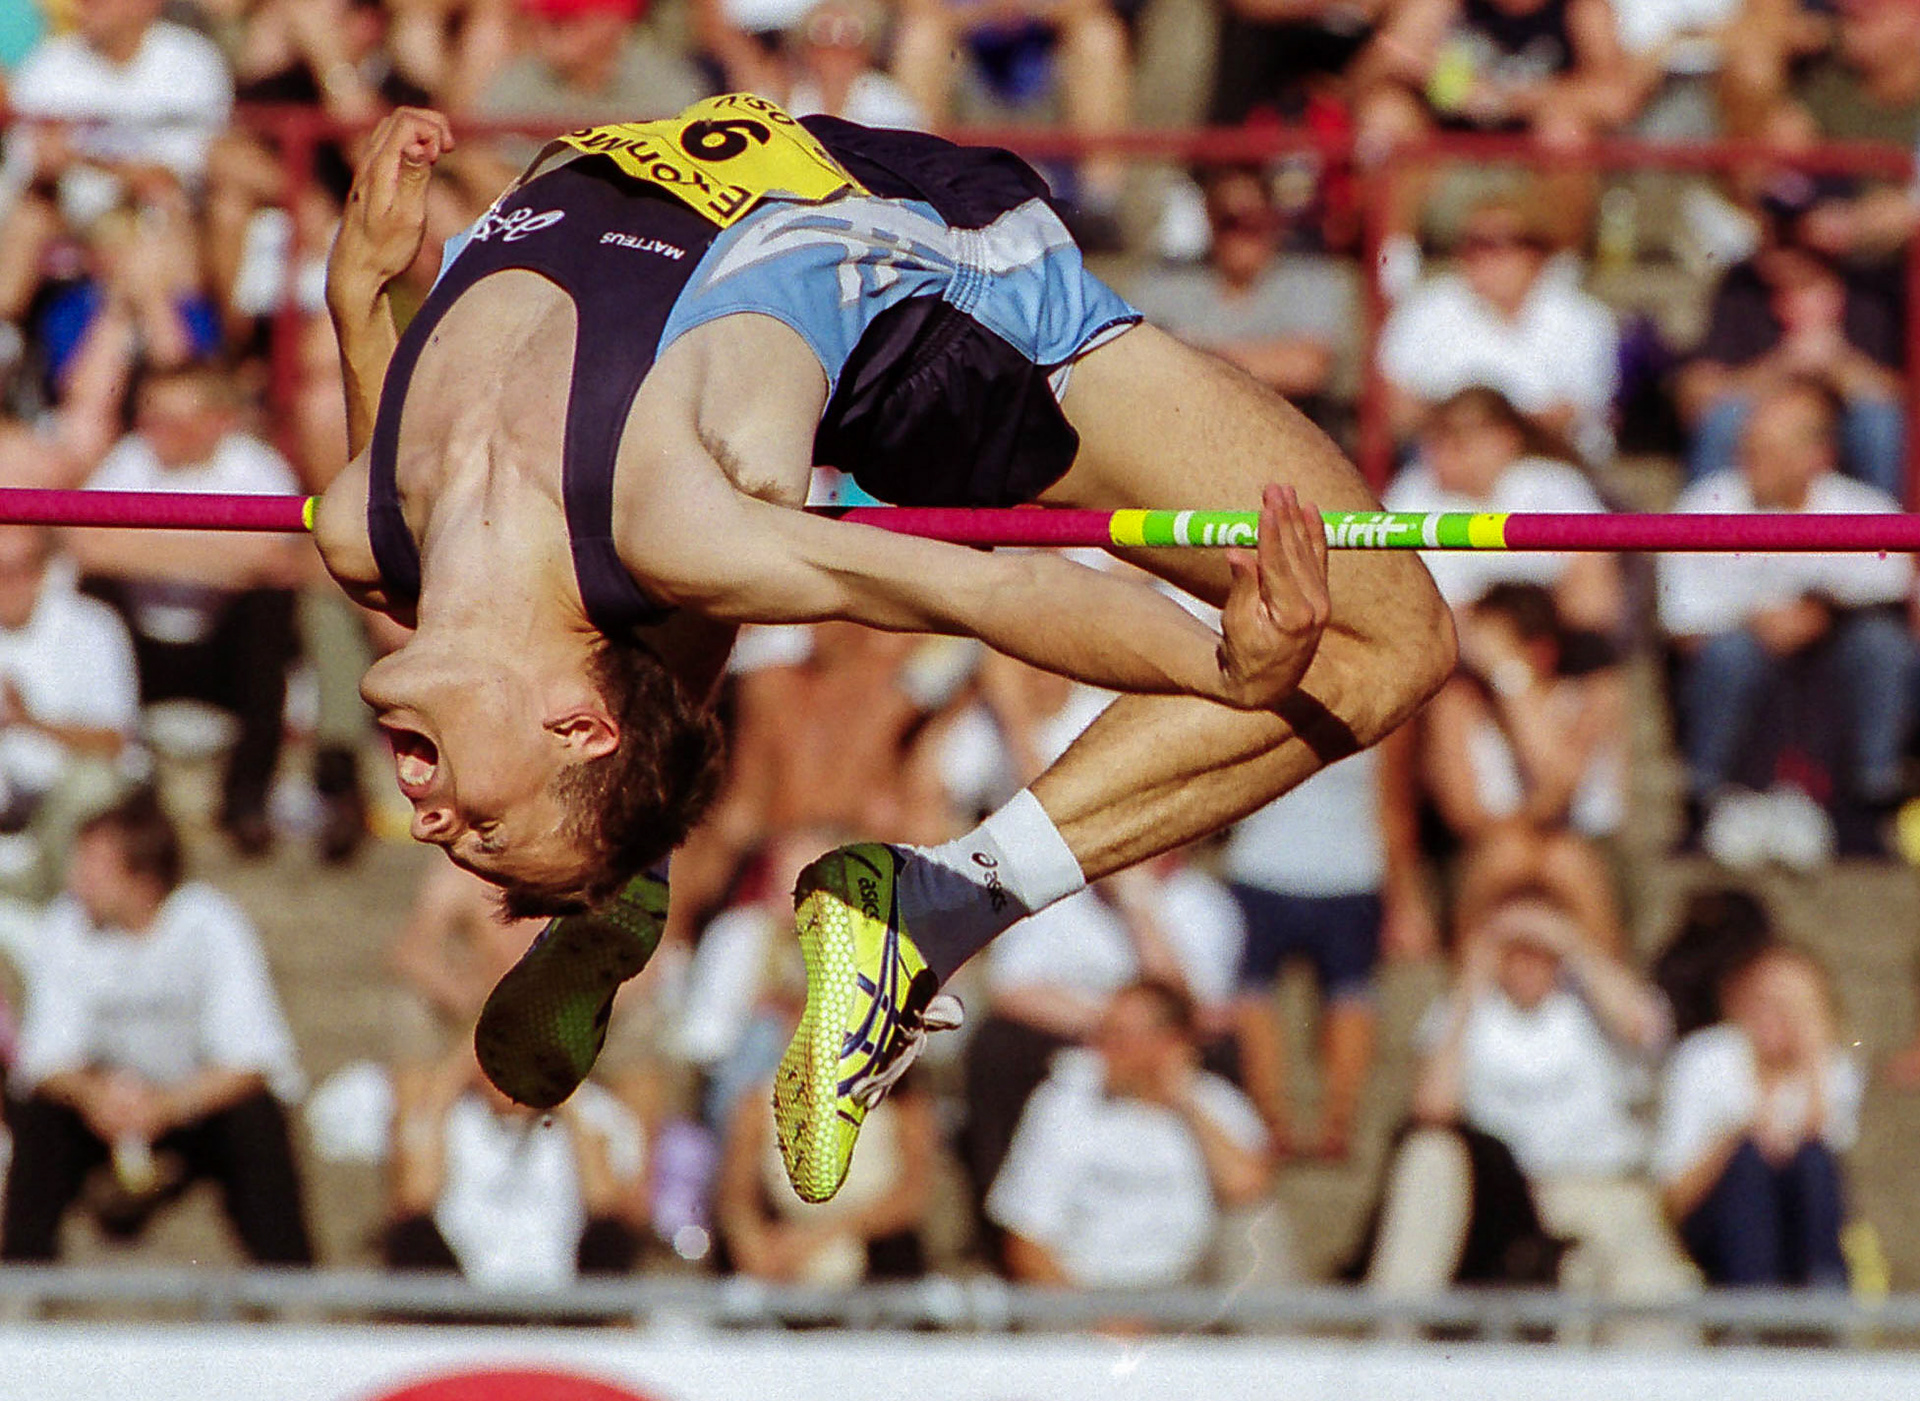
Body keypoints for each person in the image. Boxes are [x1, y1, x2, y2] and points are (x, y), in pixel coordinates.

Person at [316, 101, 1453, 1204]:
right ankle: (931, 910)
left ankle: (625, 872)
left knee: (616, 563)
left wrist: (356, 297)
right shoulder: (651, 527)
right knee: (1387, 641)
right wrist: (1223, 671)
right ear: (576, 729)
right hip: (940, 308)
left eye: (464, 834)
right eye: (485, 827)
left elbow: (415, 497)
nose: (433, 823)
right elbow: (992, 591)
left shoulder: (370, 525)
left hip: (760, 233)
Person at [0, 789, 312, 1265]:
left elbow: (253, 1058)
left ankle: (292, 1282)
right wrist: (96, 1096)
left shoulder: (210, 924)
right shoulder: (66, 925)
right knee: (39, 1118)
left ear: (143, 880)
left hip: (194, 1108)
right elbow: (44, 1059)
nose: (75, 879)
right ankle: (24, 1278)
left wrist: (168, 1105)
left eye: (92, 867)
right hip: (101, 1108)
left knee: (256, 1120)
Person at [1359, 893, 1695, 1306]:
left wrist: (1573, 942)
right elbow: (1432, 1109)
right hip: (1501, 1194)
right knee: (1428, 1154)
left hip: (1593, 1182)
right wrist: (1471, 982)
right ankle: (1394, 1328)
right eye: (1514, 950)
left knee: (1648, 1284)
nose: (1527, 963)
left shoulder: (1592, 1002)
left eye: (1539, 949)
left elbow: (1644, 1028)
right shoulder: (1464, 1009)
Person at [1658, 376, 1915, 866]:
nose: (1750, 463)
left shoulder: (1864, 509)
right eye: (1747, 450)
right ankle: (1706, 801)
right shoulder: (1703, 506)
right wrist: (1759, 624)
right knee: (1729, 654)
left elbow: (1896, 599)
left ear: (1817, 456)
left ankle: (1869, 801)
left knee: (1881, 646)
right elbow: (1683, 628)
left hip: (1831, 674)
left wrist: (1820, 615)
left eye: (1769, 452)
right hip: (1742, 667)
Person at [985, 977, 1272, 1288]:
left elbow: (1246, 1188)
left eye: (1119, 1036)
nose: (1101, 1048)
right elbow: (1025, 1239)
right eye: (1102, 1032)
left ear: (1170, 1043)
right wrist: (1095, 1313)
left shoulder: (1211, 1099)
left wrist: (1186, 1102)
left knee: (1261, 1228)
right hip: (1090, 1291)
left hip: (1190, 1288)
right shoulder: (1065, 1103)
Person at [1653, 945, 1861, 1287]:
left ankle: (1824, 1291)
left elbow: (1825, 1149)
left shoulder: (1831, 1067)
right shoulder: (1705, 1058)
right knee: (1748, 1162)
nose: (1778, 1017)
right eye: (1767, 1001)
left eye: (1795, 1008)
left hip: (1796, 1230)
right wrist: (1741, 1135)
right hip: (1713, 1222)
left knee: (1812, 1162)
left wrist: (1812, 1064)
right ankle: (1754, 1296)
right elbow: (1674, 1195)